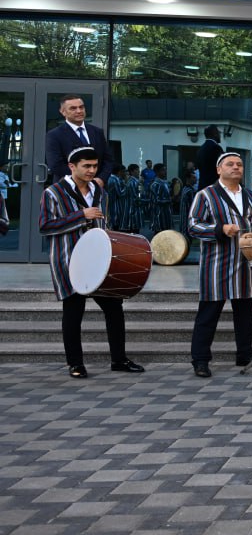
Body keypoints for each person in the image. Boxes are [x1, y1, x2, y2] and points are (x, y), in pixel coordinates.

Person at [38, 146, 144, 378]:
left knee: (114, 308)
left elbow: (105, 224)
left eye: (95, 166)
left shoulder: (99, 190)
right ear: (71, 166)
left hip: (99, 261)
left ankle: (119, 359)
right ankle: (75, 364)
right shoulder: (53, 192)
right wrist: (81, 216)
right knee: (73, 312)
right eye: (86, 166)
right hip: (69, 260)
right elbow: (45, 226)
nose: (91, 170)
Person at [187, 152, 252, 378]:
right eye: (230, 164)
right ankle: (200, 360)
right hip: (216, 265)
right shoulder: (205, 195)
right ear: (219, 169)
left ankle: (244, 355)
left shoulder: (251, 195)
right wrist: (220, 229)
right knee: (208, 315)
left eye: (239, 164)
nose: (236, 167)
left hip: (246, 264)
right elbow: (193, 226)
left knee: (245, 315)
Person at [44, 94, 114, 186]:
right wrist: (84, 179)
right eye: (73, 108)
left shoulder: (97, 132)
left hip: (96, 187)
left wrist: (101, 179)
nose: (79, 111)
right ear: (63, 112)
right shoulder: (54, 135)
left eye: (81, 107)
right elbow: (55, 165)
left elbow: (108, 160)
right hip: (68, 187)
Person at [194, 125, 223, 190]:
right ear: (215, 134)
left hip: (202, 187)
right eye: (219, 133)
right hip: (214, 188)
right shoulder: (216, 148)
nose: (220, 135)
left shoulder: (200, 149)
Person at [149, 163, 172, 233]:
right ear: (157, 172)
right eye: (163, 170)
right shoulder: (155, 184)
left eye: (165, 170)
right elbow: (156, 200)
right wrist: (169, 200)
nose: (165, 172)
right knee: (159, 234)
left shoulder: (165, 182)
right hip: (159, 214)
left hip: (166, 213)